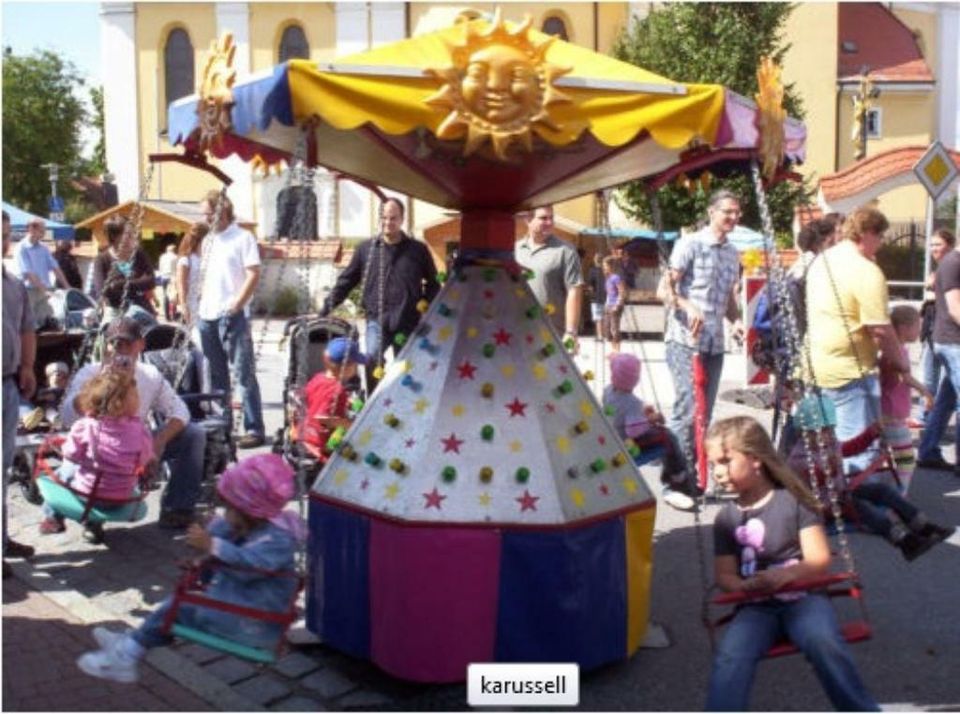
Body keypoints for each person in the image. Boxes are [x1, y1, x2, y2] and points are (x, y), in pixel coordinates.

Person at [76, 453, 305, 684]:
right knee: (177, 603)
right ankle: (130, 643)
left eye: (229, 508)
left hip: (253, 623)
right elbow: (231, 550)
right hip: (240, 606)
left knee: (176, 607)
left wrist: (212, 544)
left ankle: (125, 656)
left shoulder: (277, 539)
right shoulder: (255, 527)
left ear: (248, 511)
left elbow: (251, 567)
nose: (225, 514)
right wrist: (204, 554)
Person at [704, 415, 878, 712]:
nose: (717, 473)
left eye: (725, 461)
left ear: (756, 459)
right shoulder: (726, 519)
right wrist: (747, 586)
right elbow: (725, 576)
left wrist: (787, 576)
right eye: (713, 465)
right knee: (731, 655)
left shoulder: (793, 502)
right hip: (756, 606)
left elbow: (818, 559)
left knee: (823, 641)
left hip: (804, 598)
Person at [59, 317, 206, 530]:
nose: (120, 350)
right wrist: (96, 391)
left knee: (194, 434)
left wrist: (159, 442)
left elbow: (180, 411)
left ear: (140, 345)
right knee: (71, 471)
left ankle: (178, 509)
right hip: (95, 449)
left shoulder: (149, 374)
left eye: (127, 343)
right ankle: (90, 518)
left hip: (134, 446)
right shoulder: (91, 372)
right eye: (114, 344)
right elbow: (66, 417)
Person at [788, 394, 954, 561]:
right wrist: (828, 468)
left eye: (830, 430)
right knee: (865, 510)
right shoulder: (800, 457)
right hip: (823, 508)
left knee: (881, 491)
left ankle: (923, 526)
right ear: (805, 433)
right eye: (822, 432)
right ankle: (906, 543)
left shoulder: (829, 443)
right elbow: (816, 478)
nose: (828, 435)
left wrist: (871, 433)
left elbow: (849, 449)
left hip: (841, 493)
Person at [806, 207, 908, 475]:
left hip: (814, 366)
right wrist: (901, 363)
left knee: (821, 451)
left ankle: (825, 505)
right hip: (850, 372)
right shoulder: (866, 271)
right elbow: (880, 329)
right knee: (858, 450)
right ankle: (854, 511)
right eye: (881, 236)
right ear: (866, 233)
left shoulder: (822, 260)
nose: (882, 244)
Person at [661, 189, 744, 474]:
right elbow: (664, 289)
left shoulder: (733, 253)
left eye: (736, 212)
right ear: (712, 212)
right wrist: (687, 305)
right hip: (685, 340)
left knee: (704, 414)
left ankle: (693, 472)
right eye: (728, 212)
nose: (734, 217)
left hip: (714, 344)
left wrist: (736, 321)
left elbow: (728, 300)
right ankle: (673, 475)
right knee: (687, 409)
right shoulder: (690, 244)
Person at [320, 197, 439, 391]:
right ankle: (374, 404)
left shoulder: (418, 250)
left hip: (407, 320)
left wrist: (425, 304)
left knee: (407, 368)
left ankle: (405, 407)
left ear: (402, 219)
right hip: (377, 319)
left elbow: (433, 284)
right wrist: (326, 308)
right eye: (383, 218)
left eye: (393, 218)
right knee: (372, 359)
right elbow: (346, 281)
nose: (387, 223)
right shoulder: (366, 249)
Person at [39, 367, 154, 544]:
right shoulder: (141, 430)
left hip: (88, 495)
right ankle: (92, 527)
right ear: (119, 403)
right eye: (136, 395)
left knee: (62, 474)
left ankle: (53, 518)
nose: (139, 399)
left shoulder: (85, 426)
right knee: (101, 479)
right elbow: (144, 459)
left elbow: (70, 454)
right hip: (121, 497)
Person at [196, 190, 266, 449]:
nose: (204, 219)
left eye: (206, 213)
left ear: (220, 211)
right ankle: (223, 426)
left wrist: (238, 303)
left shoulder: (243, 237)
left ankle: (254, 427)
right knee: (217, 375)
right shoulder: (207, 241)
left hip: (233, 315)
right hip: (208, 315)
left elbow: (253, 273)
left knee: (243, 372)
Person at [603, 352, 695, 511]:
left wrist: (643, 412)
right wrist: (652, 419)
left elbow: (618, 412)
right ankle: (677, 475)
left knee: (662, 434)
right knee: (668, 437)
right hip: (626, 444)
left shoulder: (608, 391)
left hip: (611, 437)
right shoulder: (633, 403)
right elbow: (634, 431)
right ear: (635, 380)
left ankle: (675, 474)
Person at [3, 210, 38, 578]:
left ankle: (2, 538)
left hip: (8, 384)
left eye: (5, 236)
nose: (3, 242)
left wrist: (27, 366)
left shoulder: (13, 284)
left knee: (4, 467)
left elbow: (27, 329)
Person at [878, 306, 932, 493]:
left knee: (886, 458)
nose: (920, 330)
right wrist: (925, 391)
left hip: (889, 415)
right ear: (903, 328)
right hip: (892, 417)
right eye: (917, 325)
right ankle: (899, 500)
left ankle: (890, 495)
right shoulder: (896, 353)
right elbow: (905, 377)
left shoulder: (893, 350)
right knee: (906, 462)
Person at [515, 205, 584, 348]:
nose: (549, 222)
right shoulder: (515, 250)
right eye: (543, 218)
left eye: (551, 218)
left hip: (552, 334)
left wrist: (571, 332)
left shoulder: (566, 251)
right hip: (519, 332)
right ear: (528, 219)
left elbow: (574, 291)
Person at [300, 337, 366, 465]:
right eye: (355, 364)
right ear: (347, 368)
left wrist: (348, 402)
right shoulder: (336, 390)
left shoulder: (318, 378)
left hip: (305, 432)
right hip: (321, 442)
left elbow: (311, 398)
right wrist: (348, 424)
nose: (356, 368)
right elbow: (322, 417)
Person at [918, 229, 955, 425]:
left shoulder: (950, 267)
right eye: (931, 245)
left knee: (946, 386)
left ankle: (929, 422)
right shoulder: (942, 269)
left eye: (938, 244)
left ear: (949, 245)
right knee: (930, 376)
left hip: (946, 331)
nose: (933, 249)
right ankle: (925, 415)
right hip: (934, 329)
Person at [92, 215, 157, 318]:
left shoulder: (139, 254)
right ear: (114, 237)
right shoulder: (101, 260)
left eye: (133, 233)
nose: (133, 237)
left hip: (142, 308)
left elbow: (151, 281)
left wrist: (121, 284)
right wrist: (138, 284)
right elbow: (103, 290)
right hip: (116, 311)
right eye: (128, 234)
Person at [14, 217, 69, 329]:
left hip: (43, 292)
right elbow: (28, 273)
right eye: (42, 230)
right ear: (31, 229)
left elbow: (55, 268)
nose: (44, 233)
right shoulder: (21, 248)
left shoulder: (44, 248)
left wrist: (67, 286)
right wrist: (45, 291)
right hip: (28, 292)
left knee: (47, 324)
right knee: (29, 326)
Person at [175, 223, 209, 328]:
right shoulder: (186, 260)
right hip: (192, 303)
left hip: (207, 302)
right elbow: (181, 284)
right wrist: (184, 306)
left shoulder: (206, 258)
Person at [601, 255, 626, 353]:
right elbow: (608, 293)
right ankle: (613, 349)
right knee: (607, 330)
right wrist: (606, 305)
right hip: (608, 305)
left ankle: (617, 351)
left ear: (611, 266)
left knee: (615, 329)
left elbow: (622, 291)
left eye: (605, 265)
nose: (604, 267)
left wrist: (617, 305)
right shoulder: (608, 278)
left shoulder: (616, 277)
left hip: (615, 305)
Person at [587, 253, 605, 341]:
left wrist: (589, 294)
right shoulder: (606, 270)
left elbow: (590, 286)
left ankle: (600, 335)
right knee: (605, 317)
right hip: (606, 296)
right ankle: (606, 334)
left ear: (595, 260)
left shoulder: (592, 271)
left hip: (596, 297)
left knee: (598, 318)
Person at [157, 243, 179, 320]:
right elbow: (177, 269)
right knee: (173, 296)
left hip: (163, 277)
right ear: (174, 250)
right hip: (172, 278)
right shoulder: (176, 257)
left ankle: (167, 316)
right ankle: (173, 314)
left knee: (165, 296)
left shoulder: (162, 257)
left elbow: (160, 268)